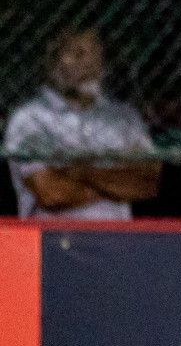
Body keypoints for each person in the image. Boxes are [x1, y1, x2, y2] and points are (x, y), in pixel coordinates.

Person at [6, 28, 160, 218]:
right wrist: (112, 183)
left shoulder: (123, 116)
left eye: (95, 53)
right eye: (77, 53)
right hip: (54, 240)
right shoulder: (30, 118)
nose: (88, 63)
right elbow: (51, 194)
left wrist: (77, 172)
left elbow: (146, 183)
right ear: (52, 62)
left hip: (118, 240)